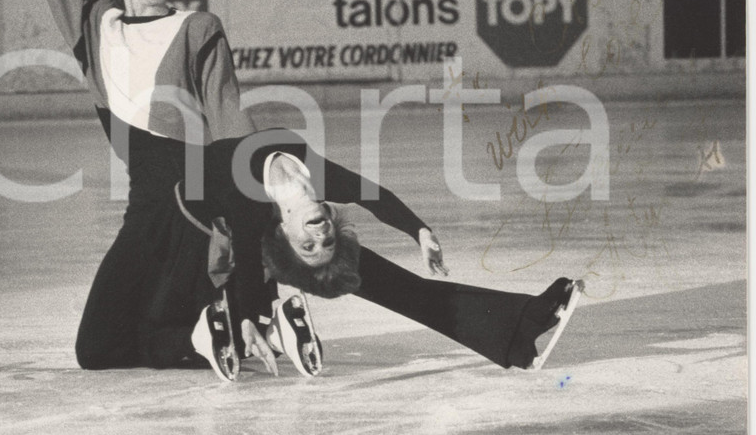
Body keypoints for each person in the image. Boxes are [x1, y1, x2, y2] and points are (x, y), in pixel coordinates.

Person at [11, 0, 256, 371]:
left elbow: (229, 113)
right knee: (95, 351)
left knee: (165, 330)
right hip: (145, 213)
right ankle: (212, 327)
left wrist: (255, 196)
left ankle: (234, 313)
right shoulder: (99, 28)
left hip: (198, 209)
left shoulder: (197, 28)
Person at [163, 128, 582, 380]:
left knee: (403, 288)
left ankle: (519, 334)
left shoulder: (277, 200)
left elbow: (375, 196)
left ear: (283, 233)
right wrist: (247, 318)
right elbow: (252, 270)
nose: (321, 236)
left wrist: (418, 230)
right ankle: (260, 329)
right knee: (239, 302)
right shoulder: (264, 206)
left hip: (202, 216)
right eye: (326, 243)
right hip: (185, 233)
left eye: (311, 246)